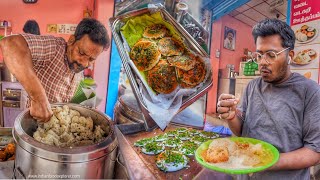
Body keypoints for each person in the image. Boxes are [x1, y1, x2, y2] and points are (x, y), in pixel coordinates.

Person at [217, 19, 320, 179]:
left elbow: (314, 151)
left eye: (271, 55)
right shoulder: (252, 87)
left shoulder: (310, 92)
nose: (262, 62)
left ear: (289, 56)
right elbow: (242, 131)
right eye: (259, 55)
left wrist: (264, 161)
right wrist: (231, 116)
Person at [0, 18, 110, 122]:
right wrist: (38, 98)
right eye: (81, 53)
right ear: (71, 40)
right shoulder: (54, 49)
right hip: (34, 126)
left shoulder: (79, 65)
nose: (84, 63)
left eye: (91, 59)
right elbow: (9, 43)